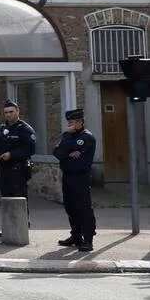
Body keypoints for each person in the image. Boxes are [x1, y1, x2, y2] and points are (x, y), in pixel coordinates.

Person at [0, 98, 36, 237]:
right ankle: (7, 228)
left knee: (19, 198)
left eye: (11, 112)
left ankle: (22, 227)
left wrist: (12, 154)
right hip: (4, 169)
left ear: (18, 111)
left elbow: (30, 150)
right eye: (6, 112)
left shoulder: (25, 129)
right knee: (6, 198)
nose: (8, 115)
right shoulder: (1, 129)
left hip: (19, 169)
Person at [53, 108, 96, 251]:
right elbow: (57, 152)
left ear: (80, 122)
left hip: (80, 177)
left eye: (71, 123)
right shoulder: (67, 136)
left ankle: (88, 239)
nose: (69, 125)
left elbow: (69, 149)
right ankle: (76, 236)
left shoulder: (87, 137)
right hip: (68, 176)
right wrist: (68, 153)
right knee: (70, 207)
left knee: (83, 208)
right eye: (69, 123)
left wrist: (67, 150)